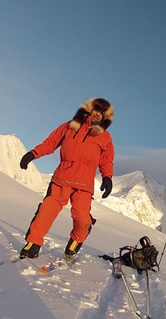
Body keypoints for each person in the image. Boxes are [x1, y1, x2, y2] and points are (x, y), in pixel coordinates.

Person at [19, 97, 115, 261]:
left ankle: (77, 238)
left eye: (102, 112)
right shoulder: (70, 126)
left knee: (81, 217)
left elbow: (106, 160)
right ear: (89, 109)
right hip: (62, 177)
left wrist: (107, 177)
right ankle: (33, 244)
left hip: (83, 184)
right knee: (46, 210)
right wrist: (33, 154)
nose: (98, 114)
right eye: (96, 109)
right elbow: (50, 143)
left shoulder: (105, 138)